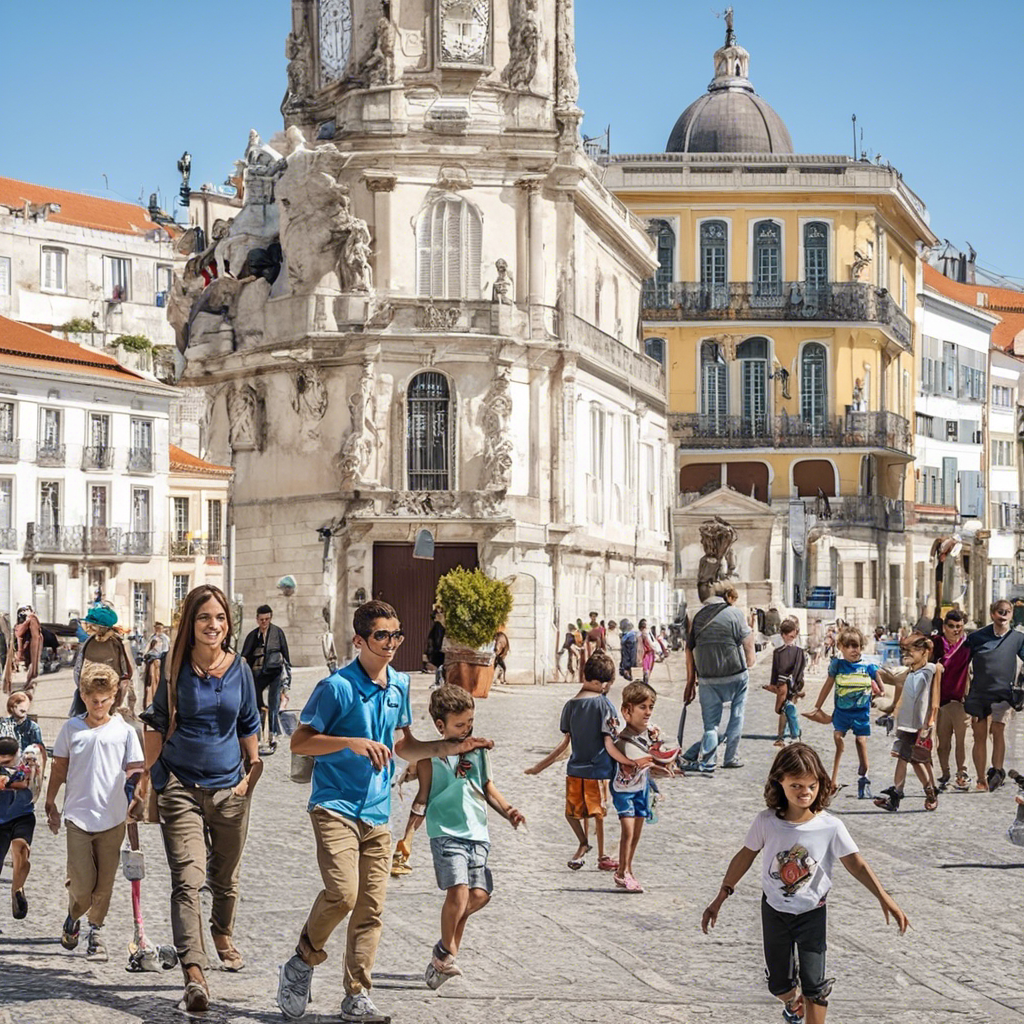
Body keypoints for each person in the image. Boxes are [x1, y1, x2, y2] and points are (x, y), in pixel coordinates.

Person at [276, 600, 493, 1024]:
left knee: (370, 908)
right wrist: (350, 743)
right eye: (382, 635)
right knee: (343, 894)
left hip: (376, 811)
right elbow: (299, 742)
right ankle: (302, 960)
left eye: (396, 635)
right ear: (360, 640)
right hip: (334, 805)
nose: (391, 643)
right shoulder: (336, 687)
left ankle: (357, 994)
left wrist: (451, 747)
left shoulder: (398, 685)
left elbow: (403, 747)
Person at [701, 743, 908, 1023]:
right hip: (774, 911)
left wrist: (884, 898)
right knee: (779, 984)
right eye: (796, 785)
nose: (805, 792)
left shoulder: (830, 826)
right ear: (779, 782)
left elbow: (856, 864)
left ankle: (807, 1005)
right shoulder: (766, 822)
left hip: (812, 913)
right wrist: (720, 897)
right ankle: (791, 1000)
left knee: (815, 985)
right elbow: (744, 856)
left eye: (811, 785)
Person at [141, 584, 262, 1012]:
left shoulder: (241, 668)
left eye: (221, 618)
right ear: (190, 625)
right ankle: (194, 973)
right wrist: (154, 776)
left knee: (225, 878)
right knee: (187, 879)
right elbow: (155, 720)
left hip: (231, 787)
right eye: (205, 618)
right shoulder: (173, 667)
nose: (214, 625)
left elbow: (248, 721)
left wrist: (251, 773)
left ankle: (222, 930)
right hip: (181, 786)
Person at [420, 685, 525, 989]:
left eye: (470, 723)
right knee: (459, 893)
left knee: (479, 895)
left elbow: (487, 786)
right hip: (445, 830)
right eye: (459, 725)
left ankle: (443, 950)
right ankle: (446, 955)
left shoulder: (477, 750)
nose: (467, 730)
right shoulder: (429, 755)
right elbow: (423, 795)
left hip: (477, 832)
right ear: (440, 726)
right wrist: (409, 834)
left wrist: (508, 811)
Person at [45, 662, 145, 963]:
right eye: (93, 700)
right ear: (83, 696)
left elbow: (136, 771)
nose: (99, 706)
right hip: (78, 816)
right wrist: (51, 803)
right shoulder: (72, 729)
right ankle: (74, 913)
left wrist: (137, 798)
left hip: (112, 817)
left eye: (104, 700)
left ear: (114, 697)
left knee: (105, 883)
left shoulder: (124, 732)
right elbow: (60, 767)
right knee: (83, 883)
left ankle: (94, 932)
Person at [525, 651, 641, 872]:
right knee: (596, 813)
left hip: (578, 768)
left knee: (579, 812)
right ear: (603, 684)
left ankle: (593, 850)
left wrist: (539, 767)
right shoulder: (603, 705)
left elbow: (564, 744)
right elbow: (611, 740)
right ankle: (596, 851)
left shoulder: (570, 705)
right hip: (597, 769)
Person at [680, 583, 755, 772]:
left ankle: (709, 761)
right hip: (736, 674)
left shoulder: (697, 616)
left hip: (707, 678)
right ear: (728, 597)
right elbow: (748, 643)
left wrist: (690, 682)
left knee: (711, 725)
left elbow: (688, 649)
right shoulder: (735, 613)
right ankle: (730, 757)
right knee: (737, 715)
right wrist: (749, 661)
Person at [608, 681, 672, 893]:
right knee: (627, 830)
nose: (647, 712)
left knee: (636, 832)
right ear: (627, 711)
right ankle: (623, 872)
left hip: (641, 788)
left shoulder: (649, 733)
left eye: (650, 707)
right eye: (642, 707)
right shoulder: (623, 739)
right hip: (623, 790)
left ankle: (626, 868)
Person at [874, 634, 941, 812]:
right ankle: (899, 793)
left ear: (924, 652)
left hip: (919, 724)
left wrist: (931, 721)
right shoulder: (910, 672)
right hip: (906, 723)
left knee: (915, 759)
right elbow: (901, 693)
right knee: (905, 758)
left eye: (911, 650)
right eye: (905, 650)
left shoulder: (930, 670)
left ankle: (924, 792)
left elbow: (935, 698)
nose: (906, 654)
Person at [810, 626, 879, 798]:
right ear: (841, 647)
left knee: (860, 741)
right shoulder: (838, 665)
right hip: (841, 712)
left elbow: (877, 686)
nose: (854, 650)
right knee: (837, 737)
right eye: (849, 646)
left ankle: (864, 773)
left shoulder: (867, 666)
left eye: (857, 646)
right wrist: (817, 706)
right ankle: (833, 781)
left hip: (861, 713)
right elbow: (828, 686)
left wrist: (877, 695)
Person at [964, 598, 1024, 792]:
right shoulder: (977, 637)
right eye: (1000, 611)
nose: (1004, 615)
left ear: (1012, 615)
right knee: (979, 735)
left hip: (1003, 693)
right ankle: (981, 779)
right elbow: (961, 663)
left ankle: (997, 771)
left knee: (998, 729)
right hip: (980, 693)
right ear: (992, 614)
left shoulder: (1018, 638)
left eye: (1007, 611)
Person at [241, 605, 291, 753]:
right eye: (261, 619)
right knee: (257, 705)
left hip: (274, 673)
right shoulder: (252, 636)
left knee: (273, 704)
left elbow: (286, 657)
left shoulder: (278, 633)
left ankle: (272, 735)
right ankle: (258, 735)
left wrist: (287, 683)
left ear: (271, 618)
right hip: (257, 675)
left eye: (267, 619)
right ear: (257, 619)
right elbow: (245, 655)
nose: (264, 622)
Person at [930, 610, 971, 791]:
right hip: (941, 701)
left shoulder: (967, 646)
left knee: (963, 740)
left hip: (961, 701)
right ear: (944, 627)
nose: (956, 630)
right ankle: (945, 773)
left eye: (959, 627)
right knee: (943, 742)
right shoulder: (936, 644)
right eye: (952, 626)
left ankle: (962, 774)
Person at [71, 606, 136, 718]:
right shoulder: (89, 642)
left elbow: (127, 672)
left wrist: (120, 697)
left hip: (112, 696)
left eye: (93, 625)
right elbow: (79, 668)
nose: (89, 628)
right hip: (89, 693)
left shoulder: (117, 644)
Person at [0, 735, 36, 921]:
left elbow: (27, 782)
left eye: (8, 760)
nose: (4, 763)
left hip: (23, 815)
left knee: (21, 851)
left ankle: (17, 889)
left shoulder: (27, 764)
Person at [768, 619, 805, 747]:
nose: (791, 639)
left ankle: (786, 736)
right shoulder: (777, 652)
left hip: (793, 684)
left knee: (788, 708)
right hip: (781, 685)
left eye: (793, 636)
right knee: (784, 709)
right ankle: (790, 734)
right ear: (783, 635)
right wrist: (774, 685)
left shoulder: (798, 652)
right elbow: (775, 671)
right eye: (789, 636)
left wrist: (795, 687)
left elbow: (799, 670)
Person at [426, 608, 445, 686]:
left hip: (437, 649)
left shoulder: (438, 626)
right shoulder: (438, 626)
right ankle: (439, 681)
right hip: (438, 649)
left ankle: (439, 681)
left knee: (440, 666)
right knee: (440, 666)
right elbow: (436, 639)